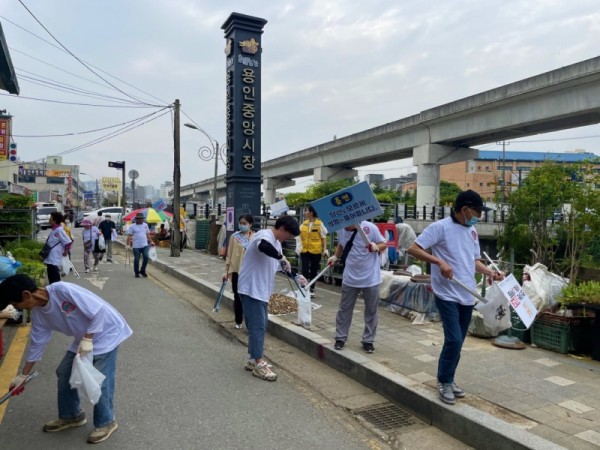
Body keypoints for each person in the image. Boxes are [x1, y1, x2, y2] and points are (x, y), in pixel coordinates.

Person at [0, 274, 132, 444]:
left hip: (107, 331)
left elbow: (99, 311)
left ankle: (106, 422)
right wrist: (23, 375)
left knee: (100, 379)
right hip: (84, 337)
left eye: (16, 304)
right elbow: (37, 343)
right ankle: (72, 416)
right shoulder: (39, 313)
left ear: (27, 294)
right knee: (64, 372)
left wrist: (88, 339)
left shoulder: (62, 291)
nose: (18, 308)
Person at [406, 190, 504, 406]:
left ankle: (449, 379)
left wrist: (491, 273)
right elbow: (412, 248)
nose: (480, 215)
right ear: (465, 210)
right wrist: (439, 262)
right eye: (478, 211)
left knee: (458, 342)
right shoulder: (440, 227)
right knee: (454, 339)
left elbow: (474, 261)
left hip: (467, 294)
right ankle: (443, 381)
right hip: (447, 292)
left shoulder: (472, 231)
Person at [238, 216, 305, 381]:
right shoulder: (264, 235)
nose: (288, 238)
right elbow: (263, 247)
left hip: (261, 290)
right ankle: (258, 362)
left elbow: (281, 265)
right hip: (252, 289)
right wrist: (280, 257)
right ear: (282, 228)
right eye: (288, 235)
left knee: (260, 325)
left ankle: (253, 359)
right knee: (258, 326)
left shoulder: (277, 244)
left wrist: (296, 276)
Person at [327, 221, 386, 353]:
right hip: (350, 277)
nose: (346, 227)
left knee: (371, 310)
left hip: (370, 277)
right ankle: (340, 338)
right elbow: (342, 245)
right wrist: (335, 256)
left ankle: (368, 340)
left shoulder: (370, 228)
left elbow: (384, 243)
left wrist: (376, 246)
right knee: (345, 308)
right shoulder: (341, 228)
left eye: (348, 224)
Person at [223, 214, 256, 329]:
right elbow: (229, 254)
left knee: (250, 297)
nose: (242, 225)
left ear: (250, 224)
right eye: (240, 223)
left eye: (244, 223)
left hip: (250, 272)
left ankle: (250, 322)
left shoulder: (255, 237)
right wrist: (226, 270)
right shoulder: (234, 237)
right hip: (237, 271)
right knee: (237, 296)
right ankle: (238, 320)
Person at [298, 205, 328, 298]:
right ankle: (304, 288)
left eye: (306, 211)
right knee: (305, 270)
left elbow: (323, 238)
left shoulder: (319, 224)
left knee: (314, 270)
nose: (305, 213)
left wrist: (325, 249)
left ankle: (311, 289)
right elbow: (298, 235)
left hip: (316, 251)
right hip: (305, 250)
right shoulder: (304, 223)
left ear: (311, 212)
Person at [43, 212, 72, 284]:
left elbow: (68, 241)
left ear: (55, 220)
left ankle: (57, 287)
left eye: (51, 218)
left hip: (54, 255)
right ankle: (53, 287)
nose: (49, 219)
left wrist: (65, 251)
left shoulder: (59, 230)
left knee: (54, 273)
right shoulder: (54, 229)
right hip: (50, 254)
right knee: (50, 272)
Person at [126, 212, 153, 278]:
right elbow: (129, 236)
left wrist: (151, 242)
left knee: (146, 257)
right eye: (139, 219)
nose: (141, 220)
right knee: (137, 259)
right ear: (136, 219)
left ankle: (142, 270)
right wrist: (128, 245)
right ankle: (136, 272)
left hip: (145, 245)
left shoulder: (145, 225)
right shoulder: (132, 226)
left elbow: (148, 234)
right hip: (136, 246)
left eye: (142, 219)